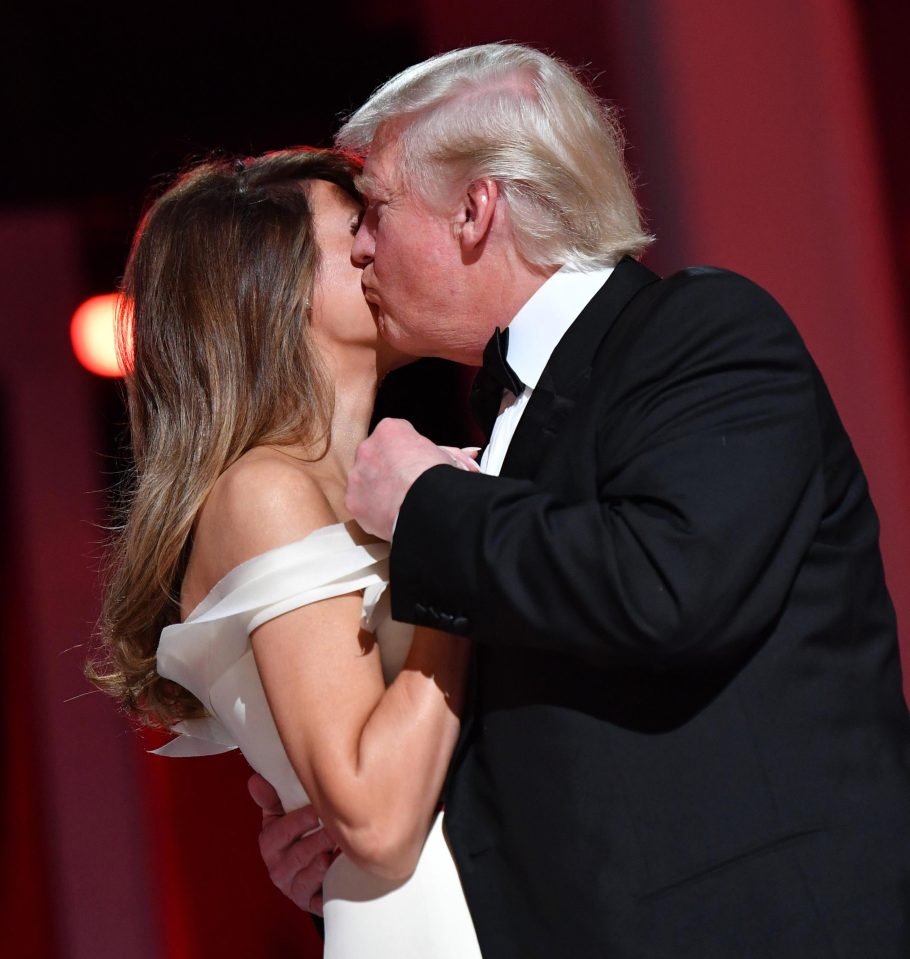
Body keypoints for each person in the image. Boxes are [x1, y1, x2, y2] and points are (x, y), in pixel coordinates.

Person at [256, 44, 910, 958]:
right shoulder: (500, 408)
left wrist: (425, 501)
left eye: (376, 209)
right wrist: (352, 871)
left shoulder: (702, 332)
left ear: (476, 210)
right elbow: (543, 742)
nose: (361, 243)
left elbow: (662, 583)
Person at [86, 148, 486, 958]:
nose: (383, 247)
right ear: (279, 289)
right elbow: (373, 816)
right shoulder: (262, 491)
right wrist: (455, 553)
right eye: (356, 231)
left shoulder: (371, 487)